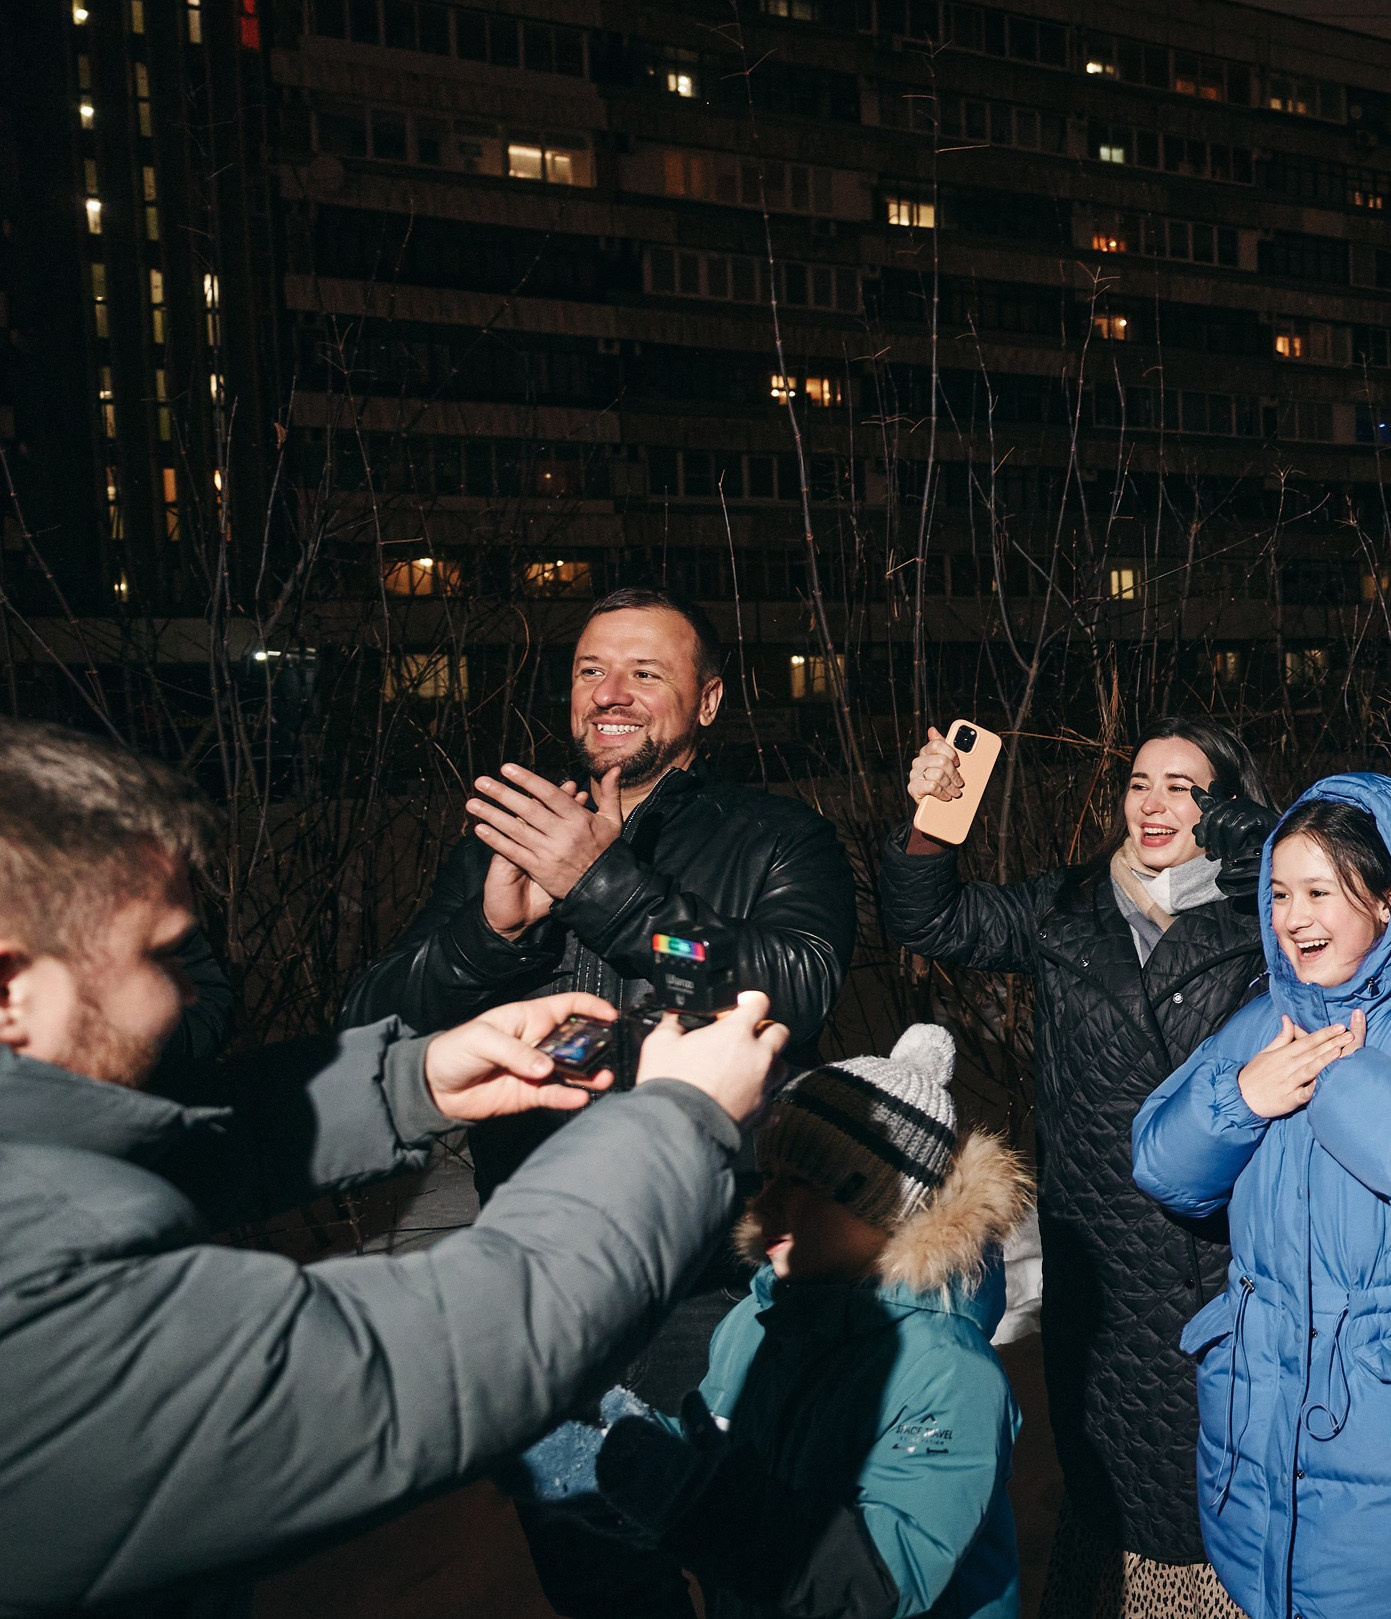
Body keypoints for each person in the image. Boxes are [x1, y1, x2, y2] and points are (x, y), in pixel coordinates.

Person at [0, 718, 787, 1612]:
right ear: (9, 988)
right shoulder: (42, 1318)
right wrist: (679, 1120)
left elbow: (152, 1147)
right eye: (160, 952)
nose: (189, 991)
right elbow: (463, 1348)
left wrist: (407, 1082)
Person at [341, 585, 861, 1619]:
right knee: (597, 1581)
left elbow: (787, 983)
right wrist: (487, 938)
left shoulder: (774, 837)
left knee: (759, 1572)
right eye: (589, 671)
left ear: (708, 702)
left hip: (711, 1287)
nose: (609, 694)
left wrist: (604, 886)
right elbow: (373, 1015)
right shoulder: (509, 841)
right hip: (542, 1286)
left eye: (643, 672)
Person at [879, 716, 1273, 1618]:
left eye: (1184, 784)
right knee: (1112, 1482)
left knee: (1214, 1495)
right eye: (1141, 781)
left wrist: (1265, 849)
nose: (1155, 802)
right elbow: (931, 917)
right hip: (1101, 1260)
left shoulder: (1274, 907)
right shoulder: (1070, 906)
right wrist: (930, 828)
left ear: (1230, 804)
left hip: (1224, 1251)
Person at [1132, 777, 1391, 1619]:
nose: (1293, 916)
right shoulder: (1265, 1020)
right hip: (1265, 1435)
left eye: (1321, 891)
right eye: (1280, 892)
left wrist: (1347, 1084)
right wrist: (1241, 1098)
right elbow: (1159, 1162)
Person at [512, 1023, 1034, 1619]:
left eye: (805, 1185)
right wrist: (605, 1443)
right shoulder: (758, 1320)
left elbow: (878, 1582)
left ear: (887, 1208)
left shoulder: (947, 1372)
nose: (768, 1203)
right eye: (772, 1177)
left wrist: (687, 1499)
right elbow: (718, 1453)